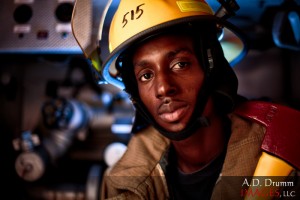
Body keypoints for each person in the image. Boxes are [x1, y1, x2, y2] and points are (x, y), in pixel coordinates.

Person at [72, 0, 300, 199]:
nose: (163, 88)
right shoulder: (121, 184)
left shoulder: (284, 157)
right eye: (146, 76)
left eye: (180, 64)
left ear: (212, 66)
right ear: (134, 93)